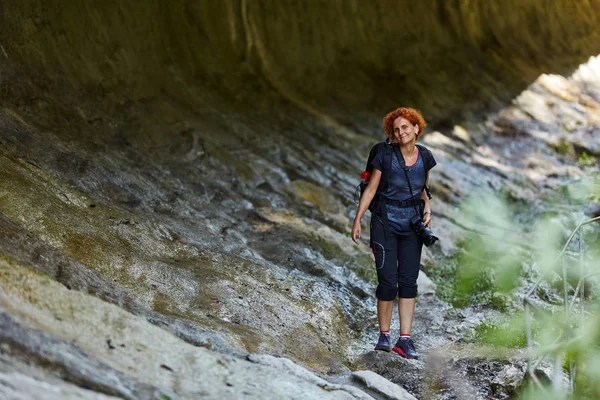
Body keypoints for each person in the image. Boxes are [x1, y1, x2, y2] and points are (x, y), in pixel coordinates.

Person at [351, 107, 436, 359]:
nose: (401, 132)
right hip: (384, 222)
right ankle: (384, 336)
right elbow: (370, 190)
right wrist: (357, 220)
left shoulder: (426, 157)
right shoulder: (384, 156)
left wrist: (428, 207)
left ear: (416, 128)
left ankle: (405, 340)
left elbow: (424, 188)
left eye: (405, 127)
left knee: (408, 282)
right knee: (388, 281)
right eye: (396, 129)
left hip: (412, 225)